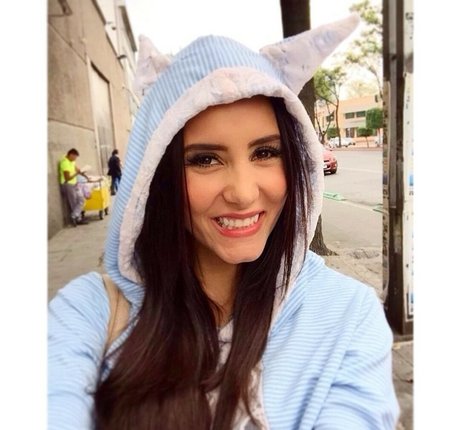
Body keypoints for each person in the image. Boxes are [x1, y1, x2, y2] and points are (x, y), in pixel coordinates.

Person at [48, 14, 400, 430]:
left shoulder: (347, 315)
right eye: (205, 159)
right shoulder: (88, 312)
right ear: (157, 176)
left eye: (265, 153)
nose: (244, 193)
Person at [59, 148, 89, 226]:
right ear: (71, 155)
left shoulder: (72, 161)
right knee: (73, 202)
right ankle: (78, 219)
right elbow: (67, 178)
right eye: (75, 157)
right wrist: (76, 173)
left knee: (81, 199)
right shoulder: (64, 163)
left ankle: (74, 215)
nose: (75, 159)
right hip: (67, 184)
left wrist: (86, 176)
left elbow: (78, 170)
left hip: (74, 184)